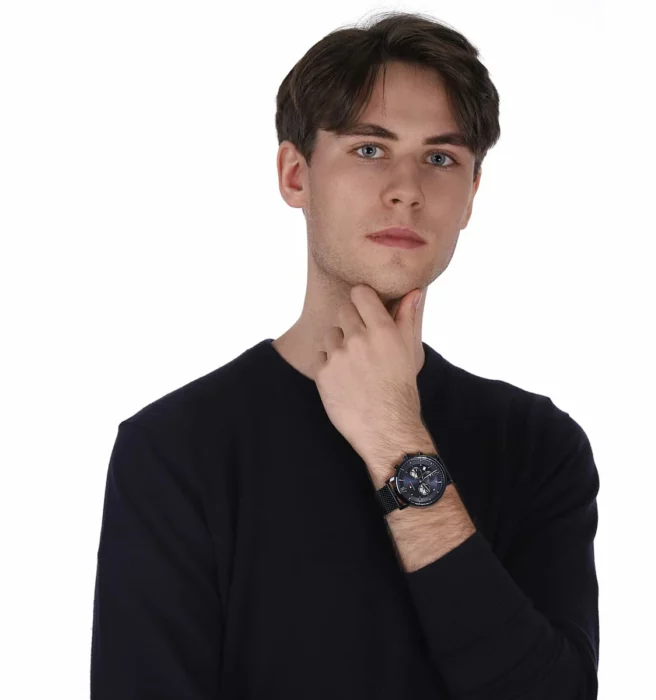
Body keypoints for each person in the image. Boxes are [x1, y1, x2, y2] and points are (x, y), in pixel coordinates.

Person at [90, 11, 600, 699]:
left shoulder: (538, 445)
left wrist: (397, 441)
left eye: (441, 158)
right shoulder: (176, 449)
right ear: (295, 175)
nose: (407, 188)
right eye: (369, 149)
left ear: (470, 198)